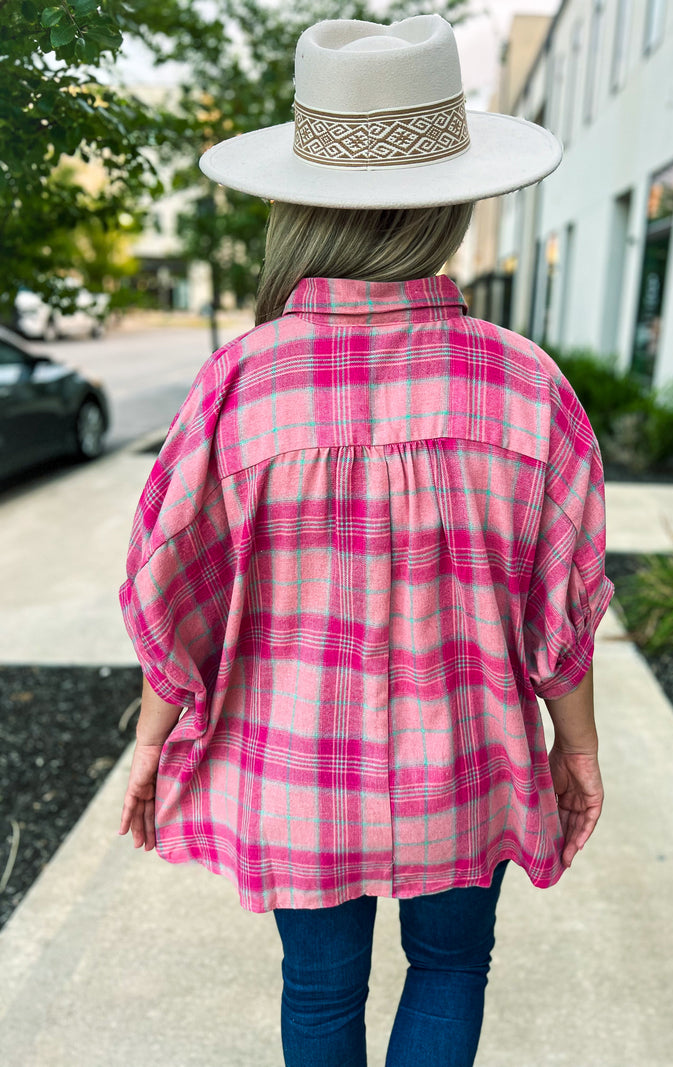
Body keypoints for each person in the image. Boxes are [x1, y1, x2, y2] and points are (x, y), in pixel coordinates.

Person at [118, 14, 614, 1067]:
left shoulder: (240, 384)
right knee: (448, 967)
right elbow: (561, 613)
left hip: (296, 773)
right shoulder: (526, 384)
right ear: (451, 198)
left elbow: (174, 596)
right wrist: (575, 744)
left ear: (299, 201)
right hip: (466, 765)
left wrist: (148, 740)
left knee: (319, 989)